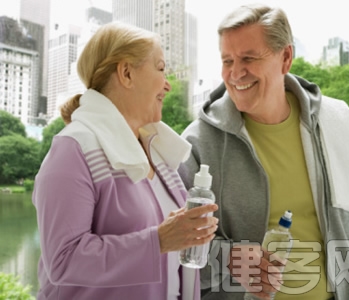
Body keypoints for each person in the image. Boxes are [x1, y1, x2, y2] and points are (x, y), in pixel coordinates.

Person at [178, 3, 349, 300]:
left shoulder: (336, 122)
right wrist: (230, 258)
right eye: (227, 60)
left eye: (249, 58)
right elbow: (177, 252)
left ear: (286, 58)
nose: (235, 73)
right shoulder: (197, 143)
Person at [32, 22, 219, 300]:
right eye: (160, 68)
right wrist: (158, 240)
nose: (167, 84)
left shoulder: (158, 154)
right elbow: (63, 261)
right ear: (126, 73)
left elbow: (180, 255)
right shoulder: (73, 150)